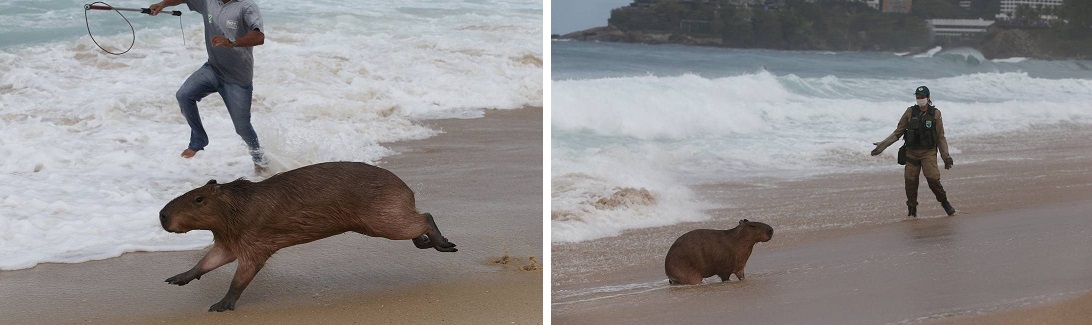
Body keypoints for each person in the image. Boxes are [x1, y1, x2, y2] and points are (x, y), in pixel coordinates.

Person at [150, 0, 267, 174]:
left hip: (237, 78)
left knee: (242, 127)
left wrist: (231, 41)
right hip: (213, 69)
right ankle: (199, 139)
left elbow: (259, 37)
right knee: (184, 95)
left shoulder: (246, 7)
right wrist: (163, 4)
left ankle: (261, 162)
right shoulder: (209, 2)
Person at [871, 86, 956, 217]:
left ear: (928, 97)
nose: (920, 99)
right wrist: (883, 145)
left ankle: (944, 202)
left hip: (928, 153)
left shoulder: (936, 114)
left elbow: (940, 137)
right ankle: (912, 209)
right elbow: (897, 133)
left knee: (933, 179)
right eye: (918, 97)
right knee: (910, 182)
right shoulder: (909, 112)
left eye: (922, 97)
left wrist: (946, 156)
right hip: (911, 153)